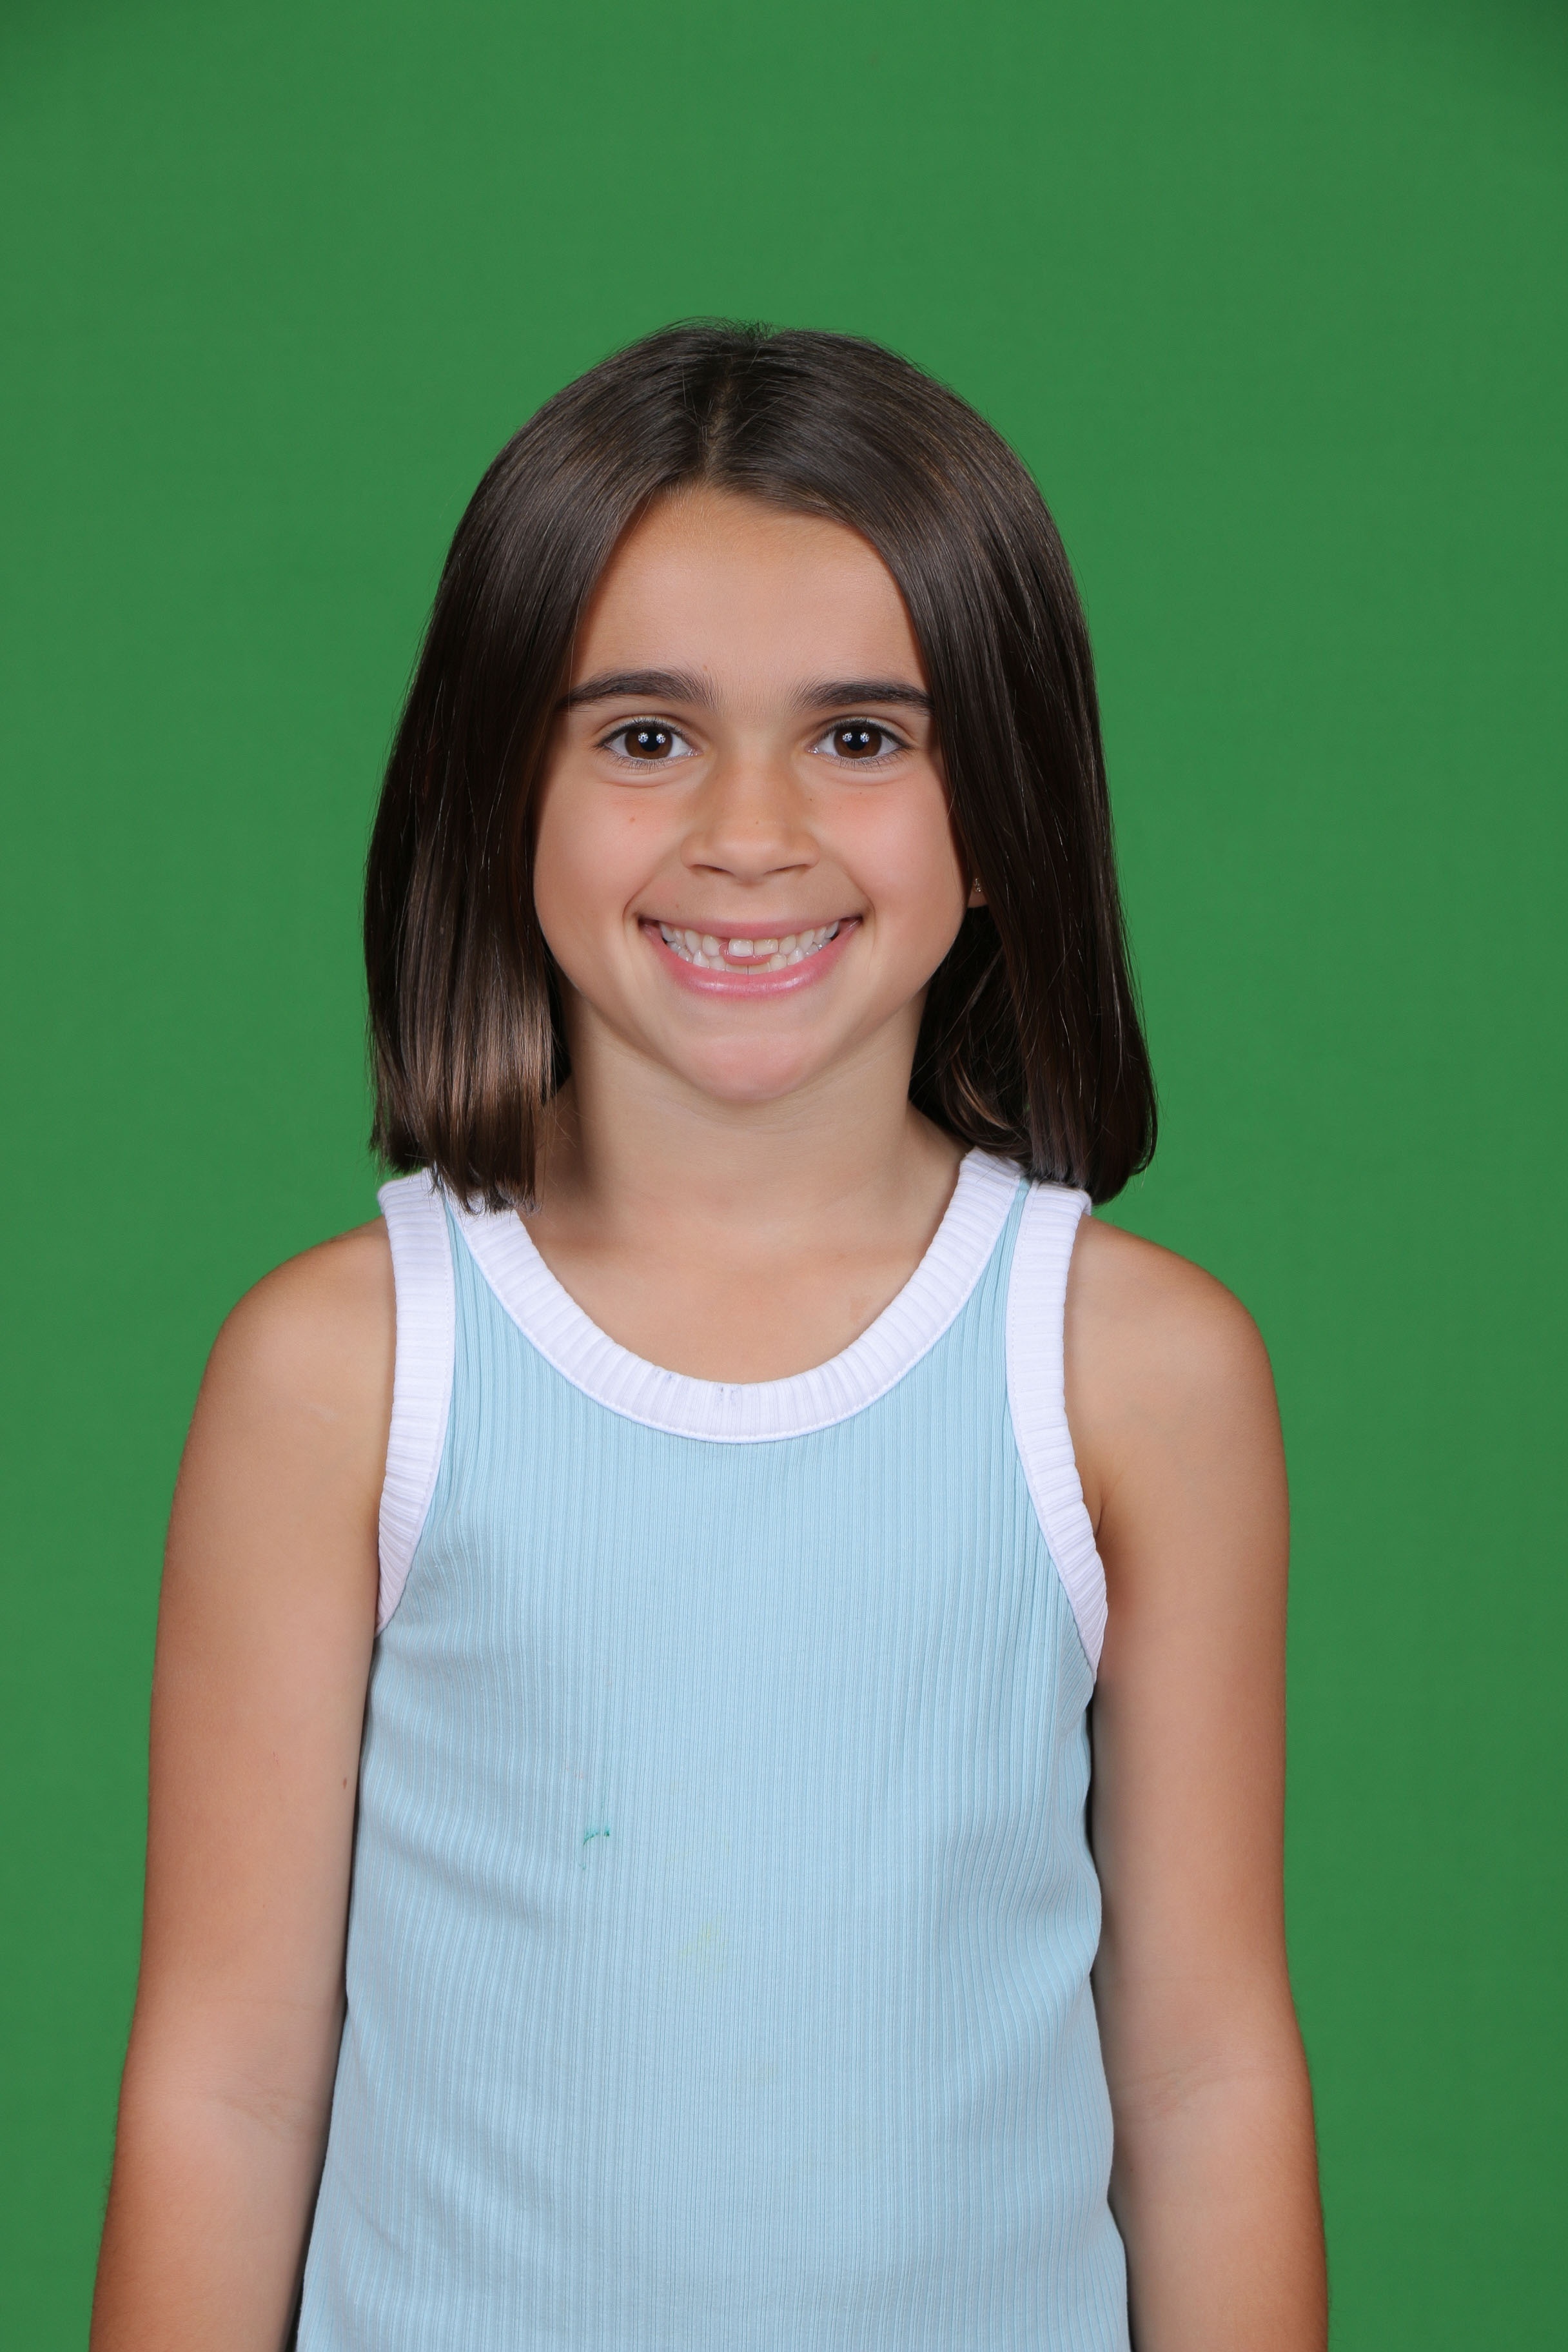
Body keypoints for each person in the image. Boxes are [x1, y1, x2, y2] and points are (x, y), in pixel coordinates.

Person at [90, 323, 1328, 2351]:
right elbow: (225, 2089)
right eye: (647, 736)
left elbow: (1202, 2078)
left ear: (1003, 806)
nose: (751, 830)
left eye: (864, 738)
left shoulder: (1136, 1370)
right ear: (499, 790)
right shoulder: (344, 1368)